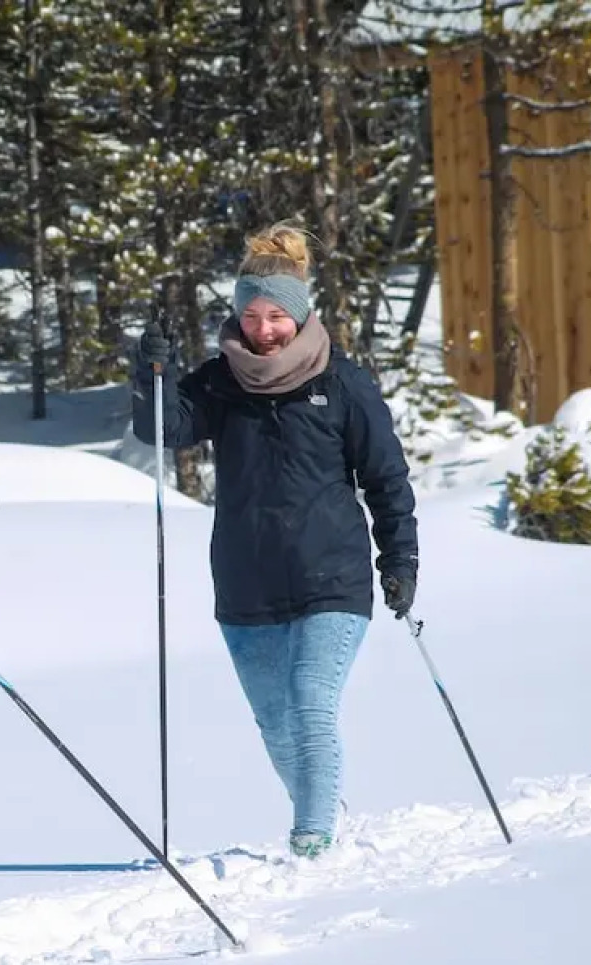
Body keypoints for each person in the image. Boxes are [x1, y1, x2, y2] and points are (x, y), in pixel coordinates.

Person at [132, 224, 418, 860]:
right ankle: (323, 807)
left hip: (332, 579)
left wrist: (400, 557)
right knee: (277, 727)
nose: (264, 330)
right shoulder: (219, 383)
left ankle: (312, 843)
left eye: (276, 318)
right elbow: (163, 429)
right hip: (246, 582)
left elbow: (386, 479)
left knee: (310, 705)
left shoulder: (342, 384)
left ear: (301, 315)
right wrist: (153, 371)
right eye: (252, 315)